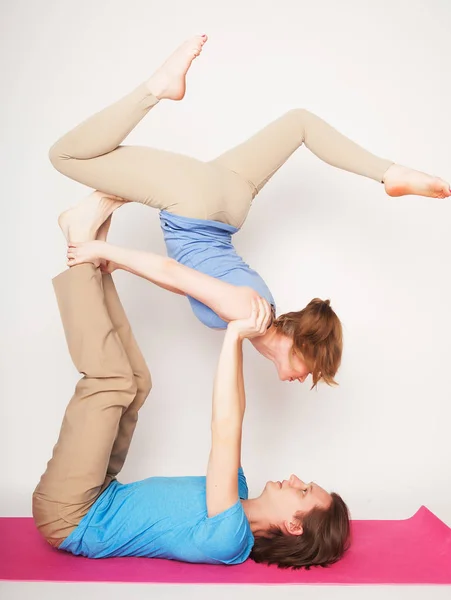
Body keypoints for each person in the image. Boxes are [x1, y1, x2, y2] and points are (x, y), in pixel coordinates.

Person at [49, 35, 451, 388]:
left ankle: (390, 174)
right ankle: (158, 87)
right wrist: (104, 253)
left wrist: (117, 265)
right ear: (301, 346)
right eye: (311, 371)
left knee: (300, 124)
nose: (303, 380)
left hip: (227, 199)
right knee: (64, 155)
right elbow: (174, 274)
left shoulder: (260, 313)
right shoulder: (250, 313)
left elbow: (196, 273)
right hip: (196, 205)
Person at [32, 216, 350, 568]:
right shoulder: (236, 493)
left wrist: (234, 336)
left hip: (73, 513)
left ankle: (79, 250)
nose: (295, 479)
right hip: (100, 491)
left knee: (111, 382)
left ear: (293, 525)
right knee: (137, 383)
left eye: (303, 491)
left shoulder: (229, 536)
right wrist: (240, 334)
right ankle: (92, 267)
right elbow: (235, 413)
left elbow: (225, 427)